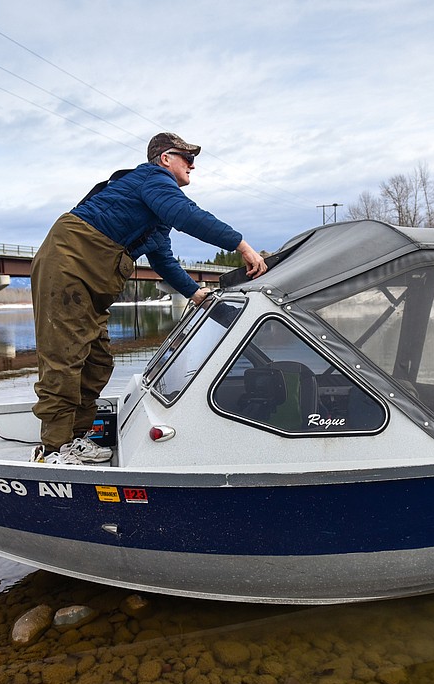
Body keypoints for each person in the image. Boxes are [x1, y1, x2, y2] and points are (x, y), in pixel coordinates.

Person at [30, 132, 267, 464]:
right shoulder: (152, 178)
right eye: (188, 159)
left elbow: (163, 260)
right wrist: (241, 245)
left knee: (97, 363)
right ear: (166, 159)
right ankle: (53, 451)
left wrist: (196, 294)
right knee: (65, 359)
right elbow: (187, 214)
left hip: (88, 278)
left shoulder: (154, 212)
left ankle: (75, 440)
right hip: (68, 265)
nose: (193, 167)